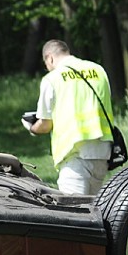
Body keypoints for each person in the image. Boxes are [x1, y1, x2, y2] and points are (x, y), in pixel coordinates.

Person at [23, 40, 114, 194]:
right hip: (102, 150)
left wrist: (31, 127)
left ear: (50, 58)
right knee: (95, 208)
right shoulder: (98, 70)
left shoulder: (52, 79)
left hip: (74, 153)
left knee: (74, 211)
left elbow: (45, 124)